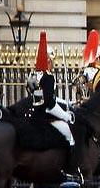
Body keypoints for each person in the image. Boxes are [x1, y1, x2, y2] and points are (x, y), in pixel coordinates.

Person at [30, 31, 80, 180]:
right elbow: (50, 105)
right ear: (49, 61)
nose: (53, 64)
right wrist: (66, 116)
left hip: (34, 115)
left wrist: (67, 103)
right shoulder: (49, 77)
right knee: (70, 136)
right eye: (52, 61)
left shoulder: (33, 76)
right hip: (47, 117)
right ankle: (70, 170)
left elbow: (47, 98)